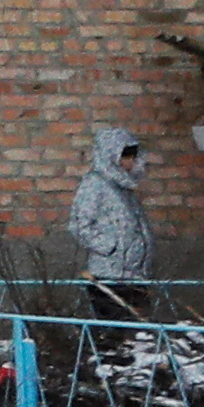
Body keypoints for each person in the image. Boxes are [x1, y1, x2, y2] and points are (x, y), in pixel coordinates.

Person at [72, 125, 154, 321]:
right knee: (112, 331)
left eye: (133, 157)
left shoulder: (125, 187)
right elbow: (79, 224)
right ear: (111, 155)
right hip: (108, 274)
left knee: (136, 332)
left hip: (135, 274)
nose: (130, 162)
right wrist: (111, 247)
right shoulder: (95, 184)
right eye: (125, 156)